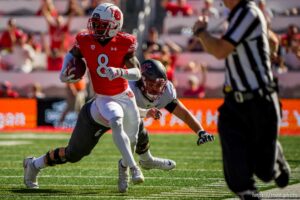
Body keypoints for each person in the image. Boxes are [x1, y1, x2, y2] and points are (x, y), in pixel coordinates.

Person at [23, 3, 144, 192]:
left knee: (134, 140)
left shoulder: (124, 41)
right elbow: (71, 55)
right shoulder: (85, 39)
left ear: (114, 25)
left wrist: (119, 71)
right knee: (74, 153)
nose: (95, 28)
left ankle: (124, 166)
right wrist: (64, 72)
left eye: (101, 24)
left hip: (124, 97)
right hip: (103, 99)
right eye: (94, 23)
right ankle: (34, 164)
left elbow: (137, 73)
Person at [192, 0, 291, 199]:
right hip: (234, 103)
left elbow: (220, 50)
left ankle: (276, 159)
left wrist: (201, 32)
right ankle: (247, 192)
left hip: (259, 100)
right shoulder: (237, 15)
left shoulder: (248, 12)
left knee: (265, 172)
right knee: (234, 156)